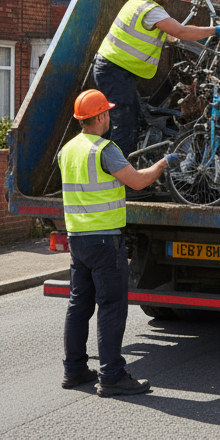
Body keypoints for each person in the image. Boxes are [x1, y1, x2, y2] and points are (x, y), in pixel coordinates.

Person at [60, 88, 178, 396]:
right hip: (103, 240)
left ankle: (74, 370)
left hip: (78, 238)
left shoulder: (68, 150)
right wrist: (164, 163)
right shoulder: (104, 150)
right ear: (99, 116)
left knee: (78, 305)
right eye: (108, 112)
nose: (110, 116)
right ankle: (111, 376)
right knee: (111, 306)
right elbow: (138, 181)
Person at [93, 0, 220, 155]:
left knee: (126, 121)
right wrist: (215, 31)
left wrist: (200, 32)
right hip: (114, 71)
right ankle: (120, 178)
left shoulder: (140, 1)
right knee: (125, 127)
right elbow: (180, 31)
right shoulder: (152, 10)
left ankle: (119, 170)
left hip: (114, 69)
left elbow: (176, 30)